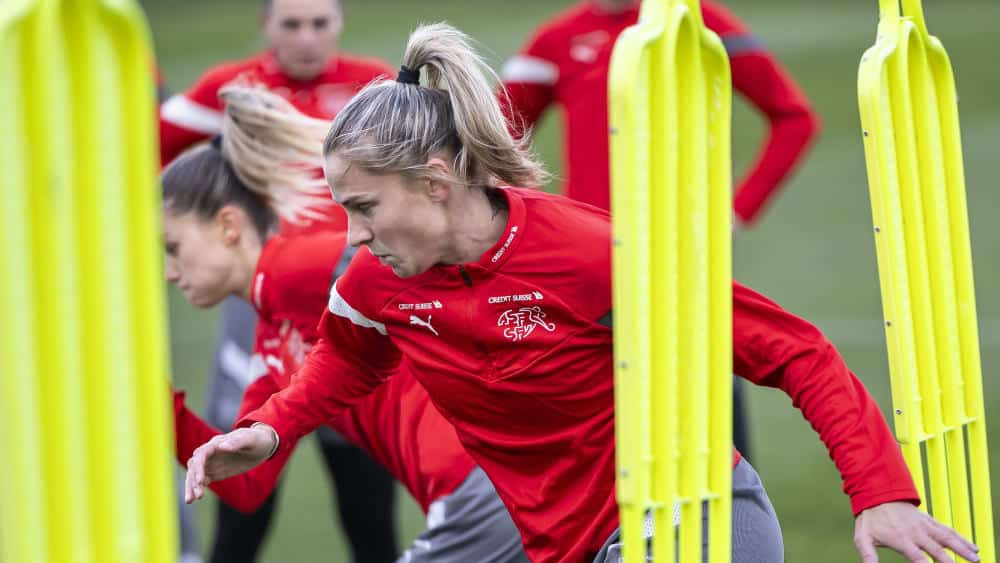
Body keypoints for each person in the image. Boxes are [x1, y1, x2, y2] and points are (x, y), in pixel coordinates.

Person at [183, 24, 979, 563]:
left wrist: (879, 492)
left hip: (690, 521)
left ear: (434, 182)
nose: (353, 235)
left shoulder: (591, 254)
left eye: (364, 207)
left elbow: (793, 348)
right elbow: (346, 360)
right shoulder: (377, 280)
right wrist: (269, 429)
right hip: (565, 545)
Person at [163, 85, 528, 563]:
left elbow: (429, 251)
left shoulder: (297, 269)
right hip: (477, 499)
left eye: (174, 248)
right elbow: (248, 483)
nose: (169, 272)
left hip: (481, 489)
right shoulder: (273, 330)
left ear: (228, 227)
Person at [501, 0, 823, 461]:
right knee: (603, 426)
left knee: (711, 412)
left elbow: (794, 118)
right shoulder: (556, 39)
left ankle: (733, 503)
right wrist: (531, 221)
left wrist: (735, 213)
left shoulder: (700, 22)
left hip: (680, 254)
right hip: (586, 266)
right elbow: (491, 137)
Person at [157, 1, 398, 561]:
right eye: (291, 24)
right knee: (247, 490)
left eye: (320, 23)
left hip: (352, 300)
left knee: (366, 497)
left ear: (340, 22)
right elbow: (132, 147)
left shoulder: (373, 88)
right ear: (266, 25)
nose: (307, 38)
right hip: (265, 304)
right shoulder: (232, 92)